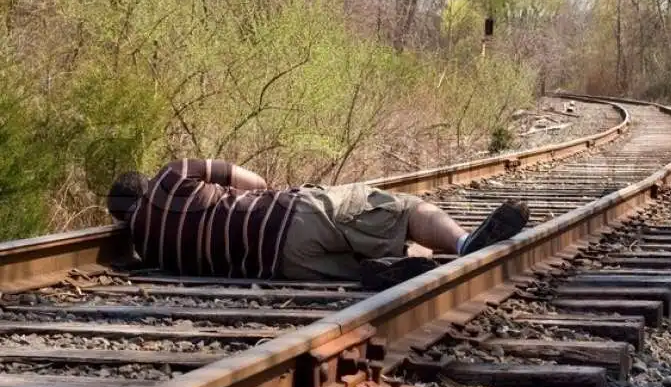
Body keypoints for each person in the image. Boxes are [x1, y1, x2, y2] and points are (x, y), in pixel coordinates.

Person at [106, 158, 530, 290]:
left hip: (283, 267)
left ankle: (400, 261)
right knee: (400, 209)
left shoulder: (151, 249)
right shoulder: (170, 177)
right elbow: (255, 181)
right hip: (289, 216)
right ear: (143, 186)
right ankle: (461, 245)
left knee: (374, 252)